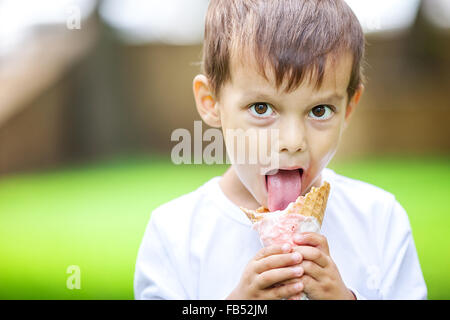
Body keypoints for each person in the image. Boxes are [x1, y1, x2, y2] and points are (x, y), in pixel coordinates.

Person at [134, 0, 427, 300]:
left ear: (348, 109)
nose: (292, 140)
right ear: (212, 103)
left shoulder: (380, 220)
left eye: (320, 110)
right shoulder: (173, 235)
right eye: (262, 108)